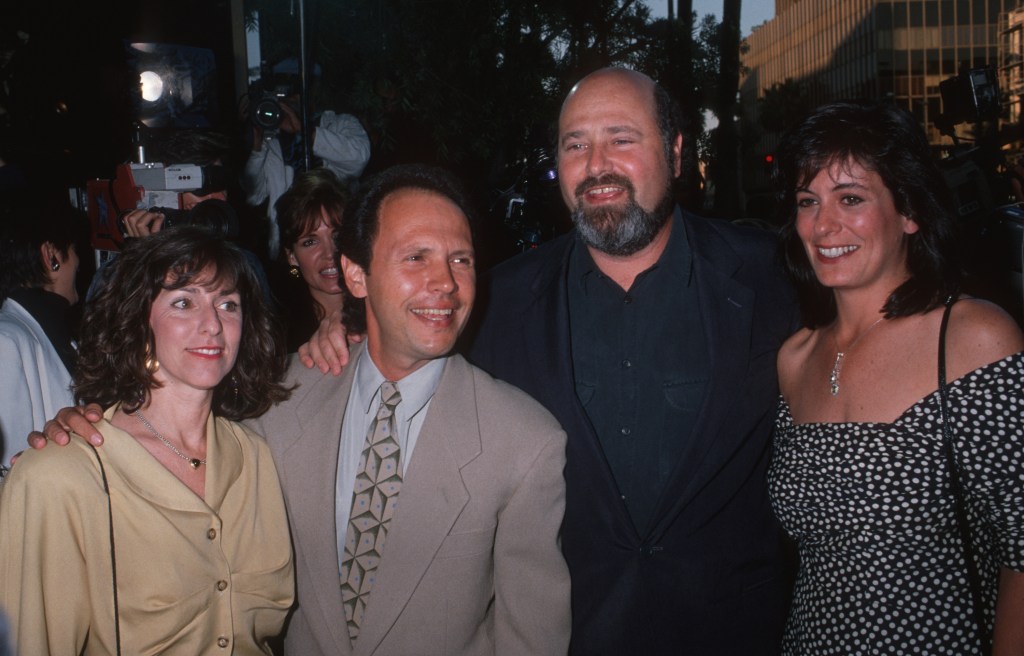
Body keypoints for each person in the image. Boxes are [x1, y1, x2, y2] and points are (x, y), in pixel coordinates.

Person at [300, 67, 798, 654]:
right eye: (575, 144)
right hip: (566, 635)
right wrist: (343, 325)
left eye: (622, 137)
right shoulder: (492, 302)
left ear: (677, 152)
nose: (596, 163)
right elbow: (403, 346)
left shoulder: (778, 277)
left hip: (735, 633)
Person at [34, 165, 572, 655]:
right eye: (416, 257)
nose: (447, 283)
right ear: (356, 275)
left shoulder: (524, 442)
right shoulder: (279, 398)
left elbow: (532, 638)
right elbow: (171, 435)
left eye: (461, 259)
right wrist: (88, 424)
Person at [769, 101, 1024, 654]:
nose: (823, 224)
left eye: (851, 199)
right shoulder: (794, 358)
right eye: (808, 202)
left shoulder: (973, 339)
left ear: (908, 211)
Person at [0, 226, 295, 653]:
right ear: (139, 322)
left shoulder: (256, 459)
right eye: (183, 302)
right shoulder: (59, 477)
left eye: (228, 304)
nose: (212, 324)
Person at [0, 193, 85, 467]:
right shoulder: (6, 339)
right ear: (52, 256)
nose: (79, 263)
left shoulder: (54, 333)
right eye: (74, 250)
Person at [244, 84, 370, 259]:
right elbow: (253, 196)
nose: (290, 103)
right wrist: (257, 145)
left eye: (295, 97)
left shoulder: (340, 123)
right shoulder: (271, 141)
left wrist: (305, 132)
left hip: (334, 241)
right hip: (289, 247)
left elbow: (358, 158)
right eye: (284, 99)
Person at [272, 167, 350, 351]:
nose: (329, 253)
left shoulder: (383, 314)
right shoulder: (279, 333)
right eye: (310, 242)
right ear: (292, 257)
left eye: (337, 236)